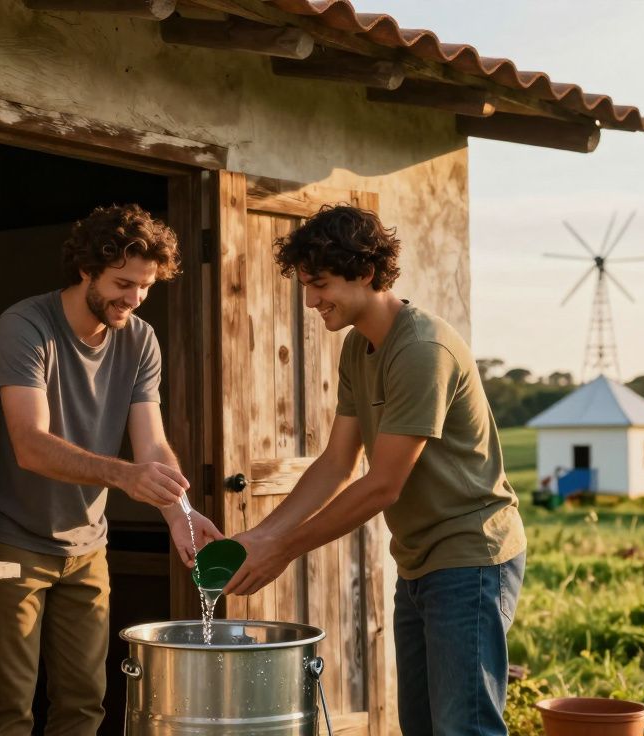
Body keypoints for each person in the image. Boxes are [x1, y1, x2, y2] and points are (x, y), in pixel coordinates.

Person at [224, 205, 527, 735]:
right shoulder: (359, 347)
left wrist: (285, 550)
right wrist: (261, 535)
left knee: (464, 728)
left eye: (319, 284)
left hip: (470, 556)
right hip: (417, 563)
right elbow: (337, 463)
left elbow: (383, 484)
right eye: (305, 285)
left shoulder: (421, 349)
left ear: (365, 272)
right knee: (421, 726)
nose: (311, 300)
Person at [0, 203, 222, 736]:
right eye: (123, 283)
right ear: (87, 268)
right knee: (10, 707)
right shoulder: (25, 326)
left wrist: (179, 513)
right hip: (14, 542)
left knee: (86, 703)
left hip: (88, 547)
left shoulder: (140, 340)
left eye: (145, 287)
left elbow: (151, 443)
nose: (133, 299)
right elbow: (30, 445)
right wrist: (124, 476)